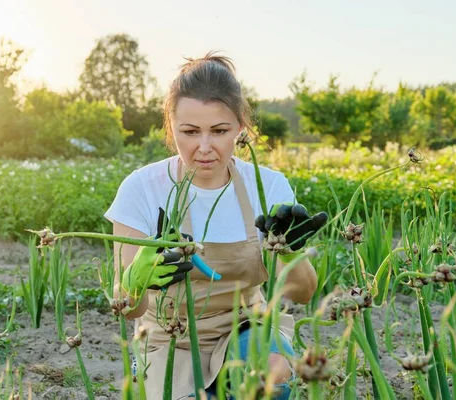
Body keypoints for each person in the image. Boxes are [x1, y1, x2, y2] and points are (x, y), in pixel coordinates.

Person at [104, 52, 327, 400]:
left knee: (272, 374)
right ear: (170, 127)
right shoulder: (142, 188)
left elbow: (303, 293)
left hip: (246, 325)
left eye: (219, 131)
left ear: (240, 128)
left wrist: (290, 252)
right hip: (168, 338)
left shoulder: (266, 187)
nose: (204, 148)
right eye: (190, 132)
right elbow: (128, 308)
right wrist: (136, 278)